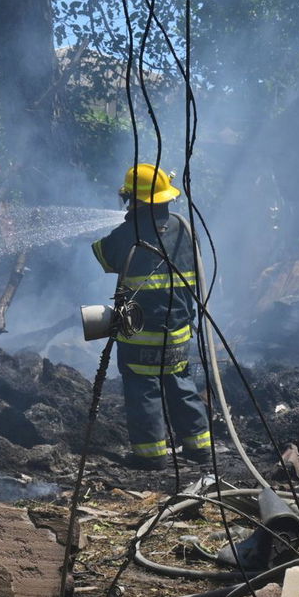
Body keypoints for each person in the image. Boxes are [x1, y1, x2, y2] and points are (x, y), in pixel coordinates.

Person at [91, 164, 213, 468]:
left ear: (136, 200)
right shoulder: (185, 228)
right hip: (179, 330)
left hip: (140, 333)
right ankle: (199, 448)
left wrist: (127, 225)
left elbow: (104, 256)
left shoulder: (128, 234)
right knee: (180, 384)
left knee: (143, 391)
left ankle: (151, 455)